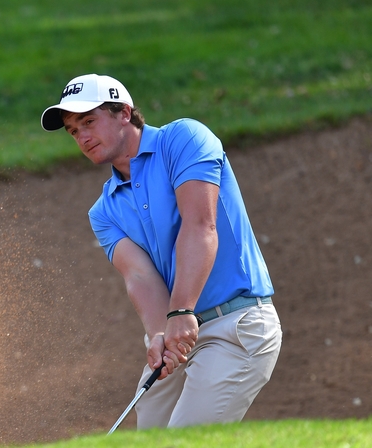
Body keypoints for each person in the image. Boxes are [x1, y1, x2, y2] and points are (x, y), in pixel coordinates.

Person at [40, 74, 282, 428]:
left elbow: (201, 226)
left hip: (237, 326)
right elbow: (139, 276)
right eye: (73, 131)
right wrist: (158, 333)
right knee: (149, 432)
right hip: (176, 332)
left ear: (124, 112)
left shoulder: (184, 139)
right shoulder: (103, 212)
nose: (82, 137)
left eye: (88, 121)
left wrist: (181, 309)